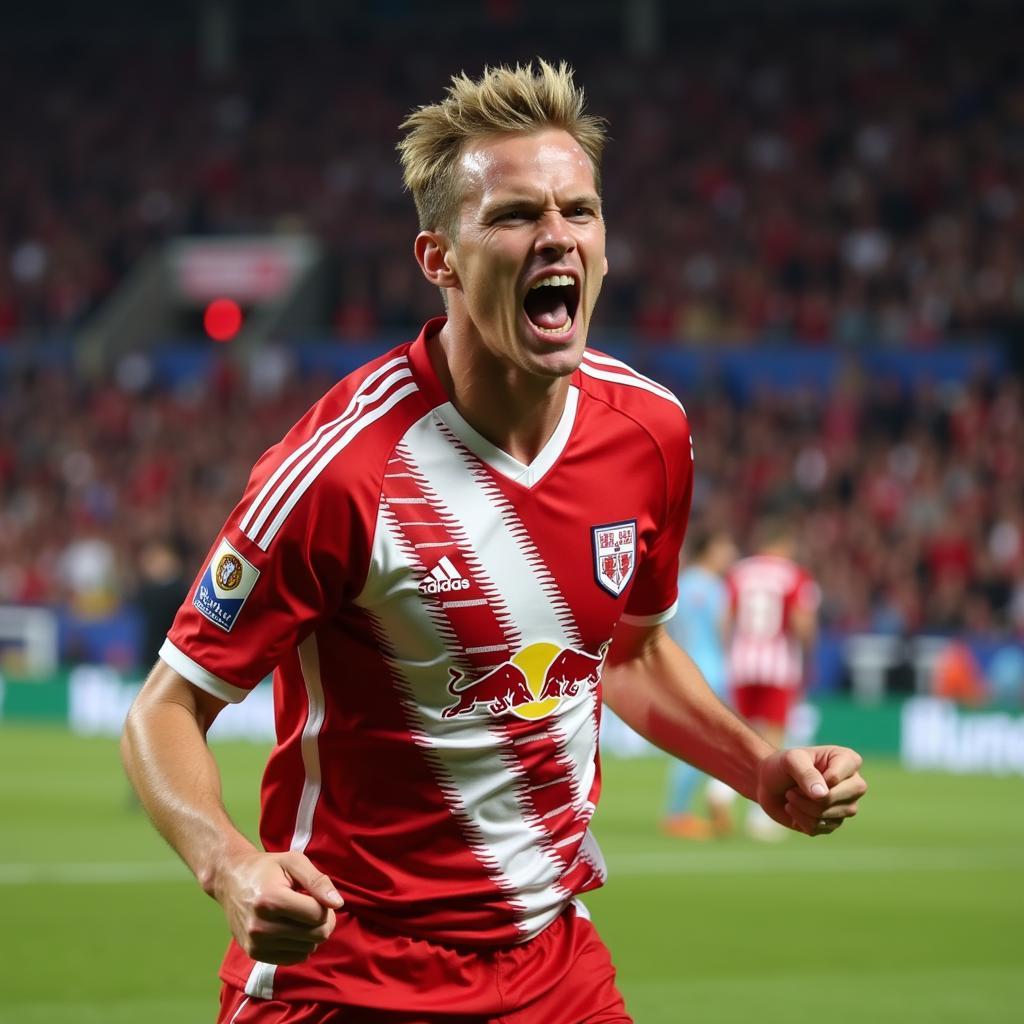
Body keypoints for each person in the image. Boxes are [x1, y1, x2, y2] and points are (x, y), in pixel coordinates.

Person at [121, 61, 867, 1024]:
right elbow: (165, 708)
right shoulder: (339, 471)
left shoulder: (650, 432)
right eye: (515, 214)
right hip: (347, 968)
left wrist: (758, 769)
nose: (557, 234)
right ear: (439, 259)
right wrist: (229, 868)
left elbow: (628, 655)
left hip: (550, 965)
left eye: (580, 210)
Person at [724, 518, 822, 839]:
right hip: (778, 665)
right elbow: (802, 623)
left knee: (742, 731)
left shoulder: (740, 571)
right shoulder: (795, 575)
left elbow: (725, 620)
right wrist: (808, 656)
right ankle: (760, 813)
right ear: (784, 544)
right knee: (773, 739)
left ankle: (721, 789)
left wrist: (732, 651)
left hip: (743, 662)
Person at [661, 527, 737, 839]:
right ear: (711, 550)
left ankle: (682, 809)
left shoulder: (681, 582)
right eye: (725, 547)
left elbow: (668, 627)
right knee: (703, 743)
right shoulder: (717, 589)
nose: (730, 554)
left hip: (685, 667)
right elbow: (724, 630)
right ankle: (677, 813)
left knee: (694, 741)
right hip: (714, 671)